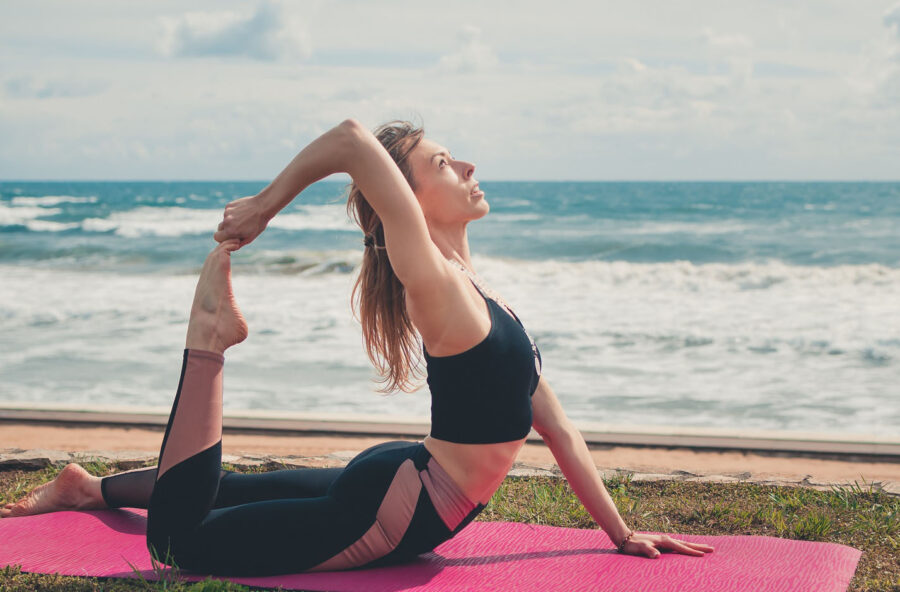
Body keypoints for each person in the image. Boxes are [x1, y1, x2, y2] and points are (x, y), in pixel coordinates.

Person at [1, 119, 713, 575]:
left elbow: (555, 426)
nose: (466, 164)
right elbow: (348, 140)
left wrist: (620, 533)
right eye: (443, 161)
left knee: (228, 492)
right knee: (175, 549)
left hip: (403, 479)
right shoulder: (433, 281)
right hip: (392, 508)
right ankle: (208, 345)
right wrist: (263, 207)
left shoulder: (488, 299)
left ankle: (87, 488)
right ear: (407, 198)